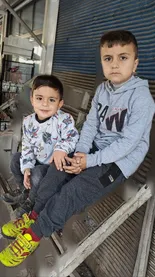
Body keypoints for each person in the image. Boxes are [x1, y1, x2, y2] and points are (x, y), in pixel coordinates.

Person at [0, 30, 154, 267]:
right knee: (56, 170)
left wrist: (88, 162)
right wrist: (80, 153)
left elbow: (129, 144)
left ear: (135, 64)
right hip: (91, 151)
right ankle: (33, 216)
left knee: (71, 193)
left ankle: (34, 234)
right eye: (108, 58)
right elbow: (91, 124)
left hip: (117, 163)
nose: (114, 65)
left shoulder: (141, 98)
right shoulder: (103, 90)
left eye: (123, 58)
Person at [1, 74, 79, 217]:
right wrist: (26, 169)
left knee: (36, 175)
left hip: (51, 168)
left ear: (60, 103)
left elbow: (72, 137)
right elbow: (27, 146)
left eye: (51, 100)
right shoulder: (28, 121)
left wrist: (61, 149)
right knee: (16, 160)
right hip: (36, 159)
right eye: (39, 98)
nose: (45, 104)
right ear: (32, 100)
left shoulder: (64, 119)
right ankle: (25, 192)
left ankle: (32, 203)